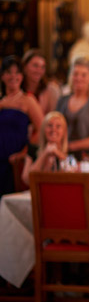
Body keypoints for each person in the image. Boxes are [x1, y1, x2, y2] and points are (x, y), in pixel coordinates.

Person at [0, 56, 44, 198]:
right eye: (8, 72)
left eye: (17, 72)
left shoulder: (27, 100)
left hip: (14, 162)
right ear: (2, 76)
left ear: (22, 76)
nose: (13, 76)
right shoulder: (1, 101)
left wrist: (25, 152)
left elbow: (42, 129)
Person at [55, 57, 89, 159]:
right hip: (60, 156)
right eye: (76, 74)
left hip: (86, 158)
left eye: (83, 75)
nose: (79, 78)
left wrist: (68, 146)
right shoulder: (62, 100)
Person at [21, 111, 68, 185]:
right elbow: (27, 179)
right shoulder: (32, 149)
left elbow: (71, 177)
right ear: (43, 129)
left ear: (64, 131)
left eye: (58, 126)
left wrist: (58, 154)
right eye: (50, 125)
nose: (53, 129)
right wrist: (45, 153)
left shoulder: (71, 151)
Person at [21, 49, 61, 115]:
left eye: (42, 67)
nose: (39, 71)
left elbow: (54, 118)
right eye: (35, 65)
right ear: (24, 67)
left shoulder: (52, 90)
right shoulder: (17, 89)